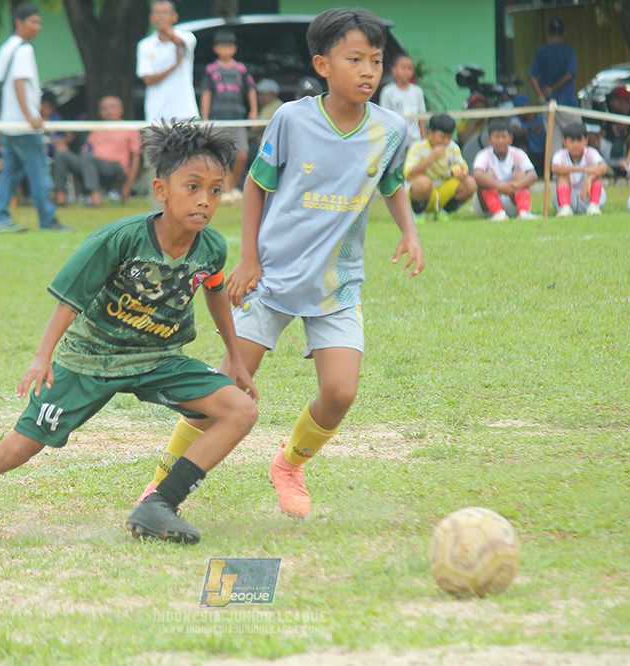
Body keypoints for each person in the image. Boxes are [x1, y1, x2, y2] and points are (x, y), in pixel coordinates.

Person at [0, 121, 258, 546]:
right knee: (20, 447)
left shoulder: (211, 246)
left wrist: (235, 357)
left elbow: (214, 290)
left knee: (240, 411)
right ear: (161, 190)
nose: (204, 201)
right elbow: (69, 300)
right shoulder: (120, 239)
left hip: (159, 359)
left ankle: (160, 504)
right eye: (192, 187)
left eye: (215, 190)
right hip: (91, 358)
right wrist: (42, 356)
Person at [136, 8, 425, 519]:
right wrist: (249, 258)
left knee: (340, 393)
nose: (368, 72)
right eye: (354, 59)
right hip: (270, 279)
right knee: (224, 388)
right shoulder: (292, 119)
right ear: (323, 65)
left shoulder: (392, 129)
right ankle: (160, 483)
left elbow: (392, 182)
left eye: (376, 61)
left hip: (337, 283)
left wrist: (410, 231)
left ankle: (289, 464)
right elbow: (256, 185)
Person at [0, 3, 69, 233]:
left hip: (8, 124)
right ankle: (48, 219)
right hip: (24, 125)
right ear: (19, 22)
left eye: (39, 22)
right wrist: (29, 116)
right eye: (33, 22)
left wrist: (2, 123)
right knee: (39, 173)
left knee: (9, 173)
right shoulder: (24, 50)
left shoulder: (6, 48)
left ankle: (1, 218)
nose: (38, 27)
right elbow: (19, 82)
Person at [52, 95, 142, 206]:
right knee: (62, 155)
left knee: (88, 158)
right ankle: (60, 197)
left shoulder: (130, 128)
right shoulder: (97, 129)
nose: (108, 111)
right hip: (91, 164)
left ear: (121, 109)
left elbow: (136, 158)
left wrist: (128, 185)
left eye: (112, 107)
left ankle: (95, 198)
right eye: (104, 108)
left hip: (116, 168)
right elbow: (85, 150)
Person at [199, 30, 257, 202]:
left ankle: (232, 185)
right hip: (218, 117)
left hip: (237, 116)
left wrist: (253, 111)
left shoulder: (241, 69)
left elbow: (251, 89)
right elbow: (206, 93)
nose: (226, 50)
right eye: (222, 47)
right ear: (216, 49)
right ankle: (225, 191)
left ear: (234, 49)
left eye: (229, 47)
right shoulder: (211, 70)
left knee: (242, 154)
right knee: (220, 156)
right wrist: (205, 117)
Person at [403, 113, 476, 221]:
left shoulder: (453, 148)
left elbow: (463, 167)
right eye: (442, 137)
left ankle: (444, 213)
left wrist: (463, 173)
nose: (446, 142)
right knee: (423, 183)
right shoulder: (417, 147)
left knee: (470, 183)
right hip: (422, 192)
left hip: (442, 191)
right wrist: (431, 158)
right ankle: (418, 214)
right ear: (430, 134)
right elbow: (408, 175)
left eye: (449, 138)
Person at [136, 1, 199, 123]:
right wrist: (173, 66)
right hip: (157, 115)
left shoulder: (187, 37)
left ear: (174, 17)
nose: (161, 16)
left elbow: (182, 44)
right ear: (151, 18)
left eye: (165, 12)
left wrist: (169, 34)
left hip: (184, 112)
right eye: (157, 13)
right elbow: (148, 80)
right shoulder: (145, 45)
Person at [472, 118, 540, 220]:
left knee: (521, 176)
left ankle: (523, 212)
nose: (500, 141)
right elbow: (477, 175)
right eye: (496, 137)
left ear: (511, 139)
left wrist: (516, 185)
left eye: (504, 137)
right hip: (487, 205)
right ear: (489, 140)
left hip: (512, 199)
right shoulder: (483, 155)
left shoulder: (518, 153)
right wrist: (500, 187)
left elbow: (532, 175)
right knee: (484, 178)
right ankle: (498, 213)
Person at [529, 17, 578, 152]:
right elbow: (569, 74)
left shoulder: (541, 52)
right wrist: (553, 88)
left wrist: (542, 97)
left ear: (548, 33)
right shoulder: (569, 51)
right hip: (567, 103)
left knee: (554, 142)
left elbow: (532, 77)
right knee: (576, 138)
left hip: (548, 104)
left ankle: (555, 166)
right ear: (564, 33)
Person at [551, 122, 608, 217]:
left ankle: (594, 206)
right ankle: (565, 208)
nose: (576, 145)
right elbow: (555, 168)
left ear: (586, 141)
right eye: (572, 141)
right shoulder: (560, 154)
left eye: (579, 141)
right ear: (564, 142)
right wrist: (582, 169)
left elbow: (603, 168)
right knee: (562, 176)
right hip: (568, 197)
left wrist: (590, 178)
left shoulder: (591, 153)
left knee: (597, 176)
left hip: (587, 195)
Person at [378, 54, 426, 150]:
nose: (406, 72)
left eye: (409, 68)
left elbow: (421, 117)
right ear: (394, 70)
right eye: (403, 68)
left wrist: (423, 139)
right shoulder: (388, 92)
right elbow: (384, 118)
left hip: (414, 140)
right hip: (396, 140)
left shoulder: (417, 91)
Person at [592, 85, 630, 172]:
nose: (610, 103)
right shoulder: (612, 114)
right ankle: (603, 168)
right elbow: (603, 133)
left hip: (629, 151)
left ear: (622, 100)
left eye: (613, 100)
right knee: (591, 136)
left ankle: (628, 168)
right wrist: (592, 135)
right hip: (612, 149)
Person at [509, 93, 546, 176]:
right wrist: (530, 130)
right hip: (531, 155)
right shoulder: (517, 120)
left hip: (545, 153)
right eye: (517, 109)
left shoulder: (542, 118)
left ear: (529, 105)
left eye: (521, 107)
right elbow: (513, 131)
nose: (519, 111)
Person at [458, 92, 490, 168]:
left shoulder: (489, 123)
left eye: (482, 108)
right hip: (470, 155)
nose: (479, 111)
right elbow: (462, 140)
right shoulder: (464, 123)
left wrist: (487, 122)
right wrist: (474, 122)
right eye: (476, 108)